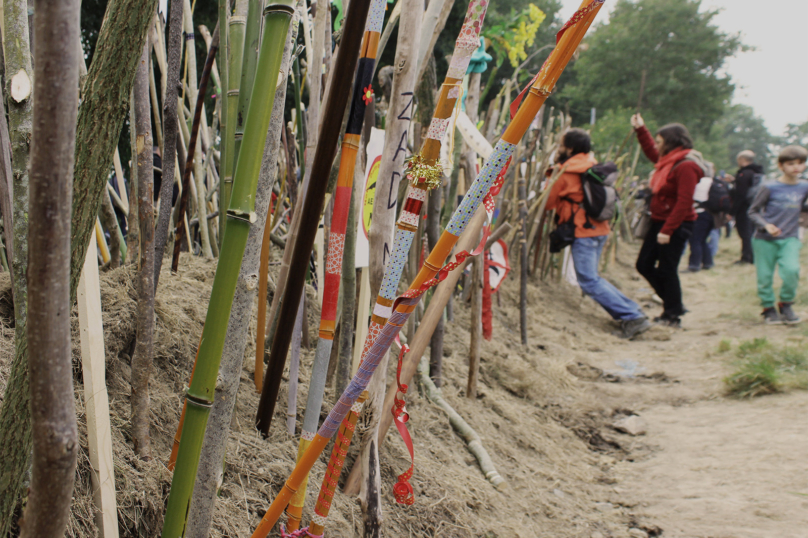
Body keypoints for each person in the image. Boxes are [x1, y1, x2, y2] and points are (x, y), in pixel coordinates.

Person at [546, 128, 651, 339]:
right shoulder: (594, 166)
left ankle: (632, 317)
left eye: (560, 145)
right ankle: (633, 312)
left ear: (570, 148)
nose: (558, 149)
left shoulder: (566, 172)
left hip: (583, 231)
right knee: (593, 278)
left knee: (589, 281)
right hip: (600, 229)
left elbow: (547, 202)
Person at [630, 113, 709, 327]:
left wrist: (667, 230)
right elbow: (652, 153)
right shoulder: (668, 161)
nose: (657, 145)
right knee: (644, 264)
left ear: (671, 142)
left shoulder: (685, 166)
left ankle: (672, 313)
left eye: (660, 141)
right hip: (660, 221)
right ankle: (674, 303)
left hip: (675, 224)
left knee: (667, 268)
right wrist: (640, 129)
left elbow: (684, 202)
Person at [747, 145, 808, 324]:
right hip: (764, 240)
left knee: (792, 270)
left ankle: (786, 304)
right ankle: (768, 308)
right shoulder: (769, 187)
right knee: (764, 276)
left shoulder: (804, 186)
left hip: (790, 237)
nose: (796, 167)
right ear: (781, 166)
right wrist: (766, 225)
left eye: (801, 163)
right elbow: (753, 211)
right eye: (791, 164)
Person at [732, 150, 763, 264]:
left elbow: (740, 194)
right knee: (752, 233)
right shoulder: (758, 173)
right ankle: (753, 256)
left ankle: (747, 258)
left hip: (744, 208)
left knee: (745, 233)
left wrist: (732, 211)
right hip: (756, 207)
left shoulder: (744, 174)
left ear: (742, 160)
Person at [687, 162, 716, 271]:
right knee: (703, 239)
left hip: (699, 213)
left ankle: (694, 265)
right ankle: (708, 262)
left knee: (695, 240)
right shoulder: (713, 181)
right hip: (711, 214)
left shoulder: (698, 182)